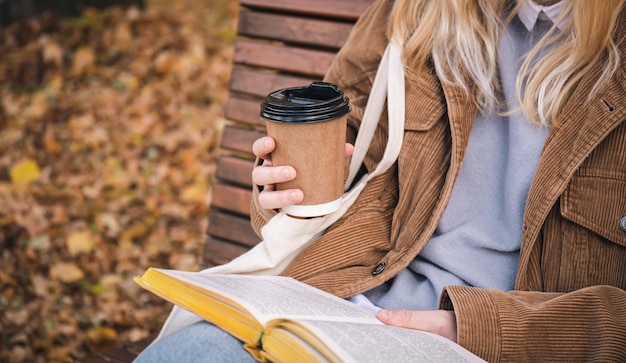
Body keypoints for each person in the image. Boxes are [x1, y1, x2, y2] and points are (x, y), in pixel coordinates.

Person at [136, 0, 626, 361]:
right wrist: (282, 190)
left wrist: (483, 329)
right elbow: (338, 130)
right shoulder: (422, 10)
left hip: (499, 344)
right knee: (187, 354)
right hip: (352, 303)